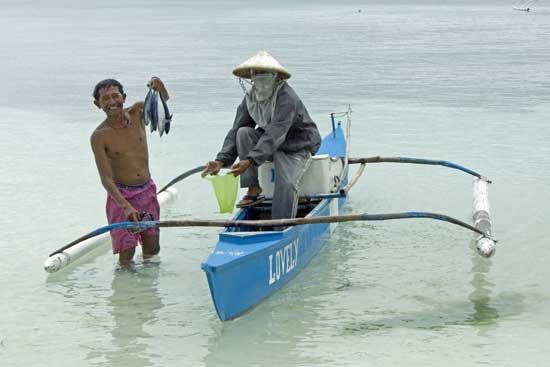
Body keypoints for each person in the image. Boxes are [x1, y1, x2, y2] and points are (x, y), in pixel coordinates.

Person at [201, 51, 321, 220]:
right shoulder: (251, 98)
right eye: (256, 74)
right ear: (251, 78)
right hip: (271, 142)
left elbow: (275, 133)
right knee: (243, 133)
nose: (260, 78)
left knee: (286, 182)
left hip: (297, 144)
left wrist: (250, 160)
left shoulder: (288, 99)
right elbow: (236, 129)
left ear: (276, 77)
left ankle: (281, 223)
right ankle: (253, 188)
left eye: (265, 74)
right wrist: (221, 160)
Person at [91, 77, 170, 264]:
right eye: (105, 99)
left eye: (115, 96)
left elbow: (162, 102)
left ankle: (147, 290)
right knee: (126, 253)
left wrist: (159, 87)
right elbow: (106, 179)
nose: (112, 102)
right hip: (121, 197)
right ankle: (125, 290)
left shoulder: (137, 112)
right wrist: (125, 206)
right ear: (97, 104)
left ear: (124, 97)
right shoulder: (99, 136)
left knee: (152, 248)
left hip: (147, 191)